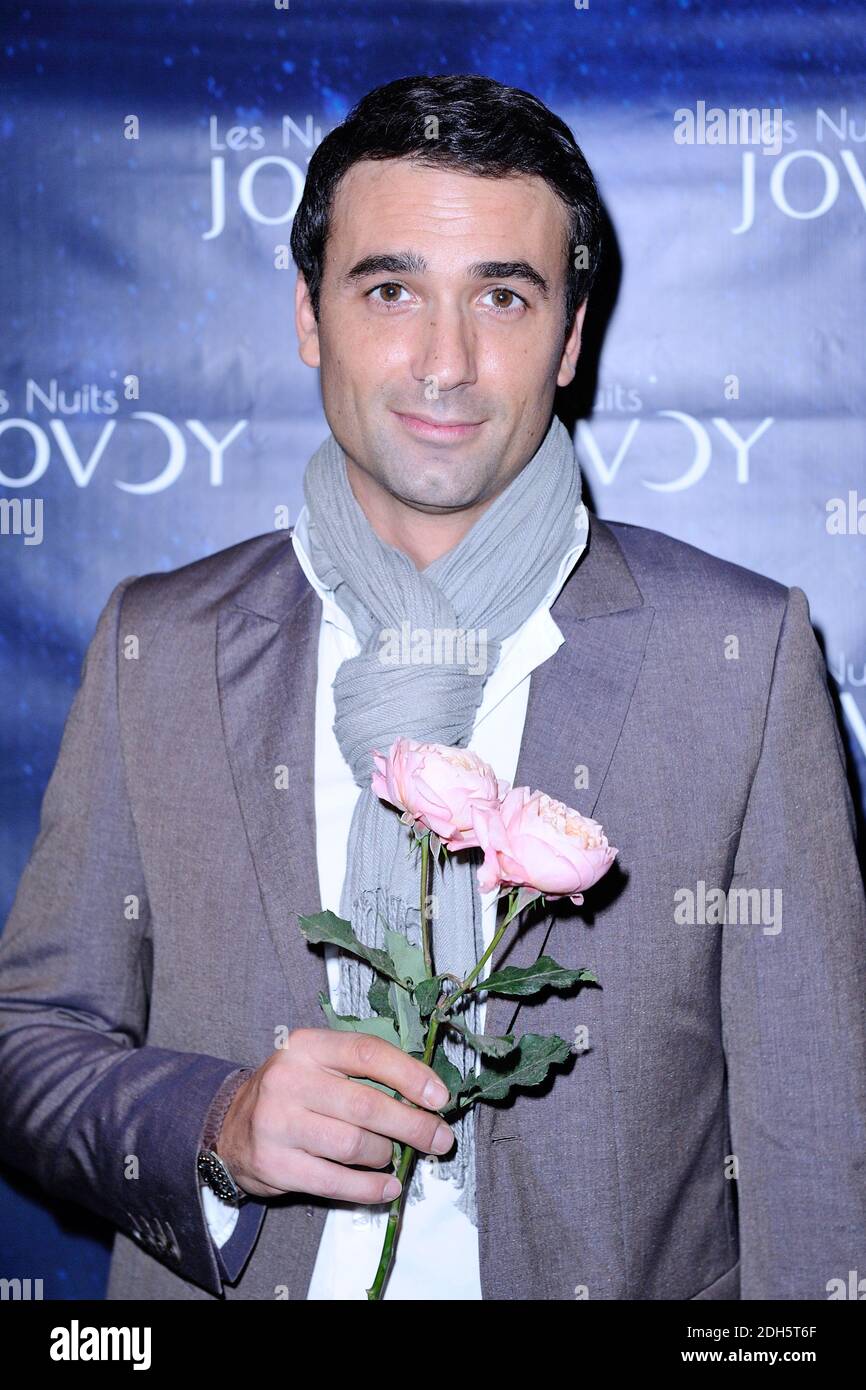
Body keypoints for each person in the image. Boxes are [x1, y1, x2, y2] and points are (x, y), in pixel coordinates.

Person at [1, 73, 864, 1302]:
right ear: (309, 315)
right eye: (390, 288)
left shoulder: (740, 654)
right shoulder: (162, 644)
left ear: (570, 339)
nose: (444, 362)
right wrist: (218, 1122)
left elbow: (814, 1153)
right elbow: (28, 1040)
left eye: (502, 298)